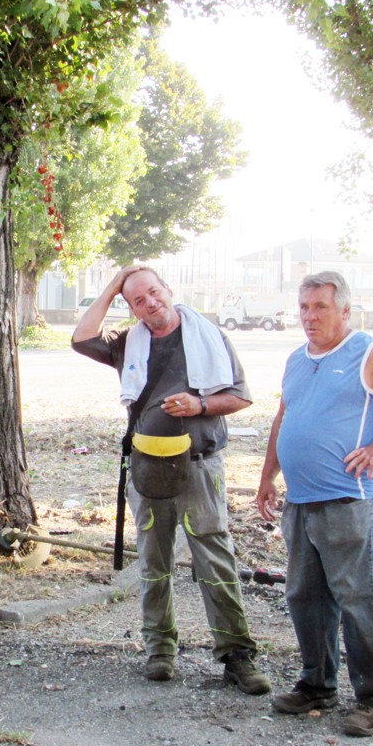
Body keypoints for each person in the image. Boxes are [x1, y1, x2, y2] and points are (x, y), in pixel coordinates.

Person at [72, 266, 271, 694]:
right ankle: (160, 650)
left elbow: (240, 395)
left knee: (215, 558)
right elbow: (81, 338)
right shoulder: (128, 342)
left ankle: (237, 655)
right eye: (138, 301)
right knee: (154, 560)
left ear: (169, 290)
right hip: (148, 465)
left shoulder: (208, 334)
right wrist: (113, 285)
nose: (150, 304)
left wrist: (199, 405)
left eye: (154, 293)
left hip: (200, 463)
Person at [257, 272, 373, 737]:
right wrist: (267, 478)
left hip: (347, 500)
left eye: (320, 307)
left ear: (344, 311)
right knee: (305, 598)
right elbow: (285, 417)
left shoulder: (367, 352)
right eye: (304, 308)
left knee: (359, 600)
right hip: (300, 500)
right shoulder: (298, 359)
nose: (310, 316)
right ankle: (317, 684)